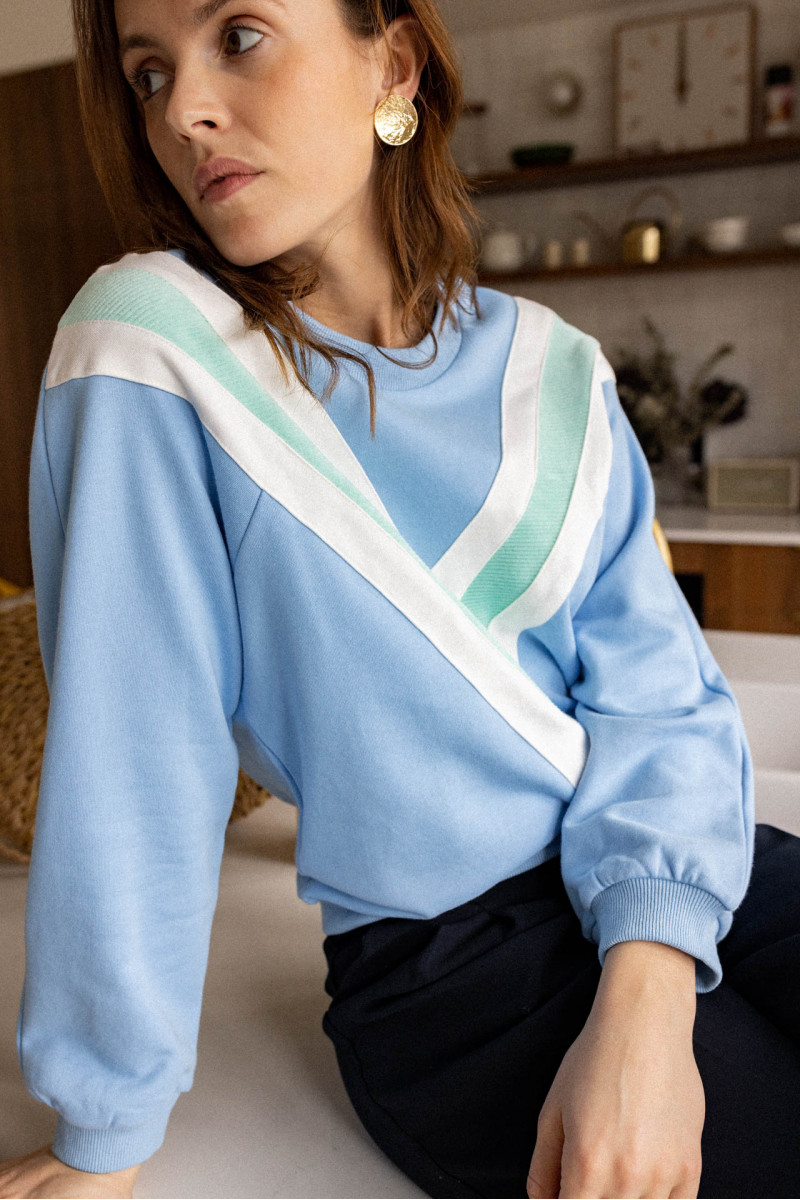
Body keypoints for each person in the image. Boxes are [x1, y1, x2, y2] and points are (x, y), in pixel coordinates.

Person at [1, 0, 799, 1197]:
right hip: (455, 965)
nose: (183, 111)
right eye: (149, 72)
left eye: (238, 36)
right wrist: (102, 1132)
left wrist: (647, 985)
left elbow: (662, 698)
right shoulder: (154, 351)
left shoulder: (554, 367)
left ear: (393, 60)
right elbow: (134, 755)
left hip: (675, 870)